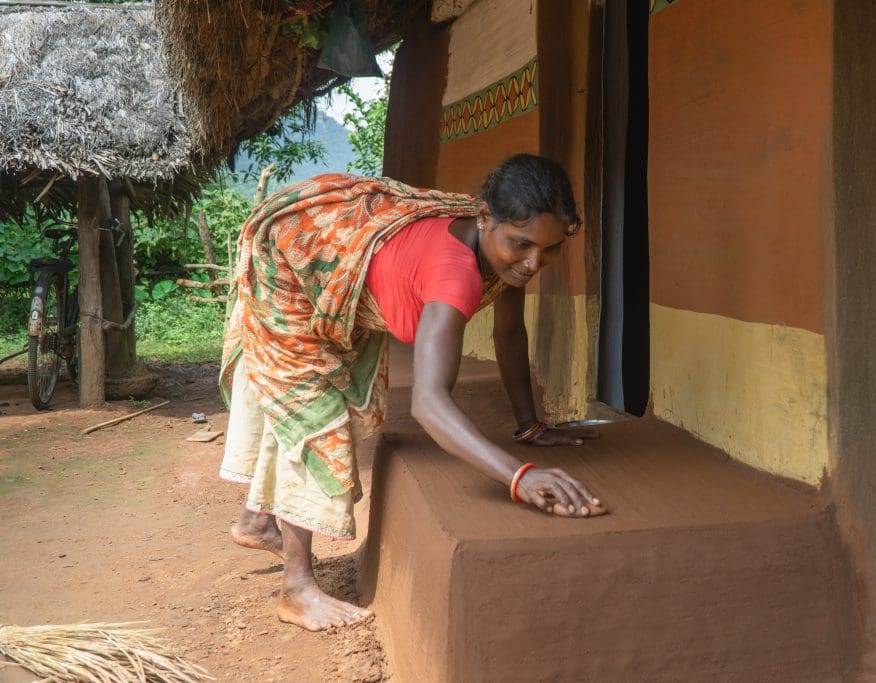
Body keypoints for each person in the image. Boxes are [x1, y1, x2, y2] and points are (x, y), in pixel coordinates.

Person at [218, 154, 604, 631]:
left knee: (342, 387)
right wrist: (518, 476)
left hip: (345, 260)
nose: (533, 262)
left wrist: (530, 427)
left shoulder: (508, 249)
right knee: (314, 411)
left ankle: (258, 522)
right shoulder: (455, 273)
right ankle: (297, 589)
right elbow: (429, 403)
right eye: (522, 246)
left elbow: (509, 334)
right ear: (483, 217)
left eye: (549, 250)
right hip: (294, 258)